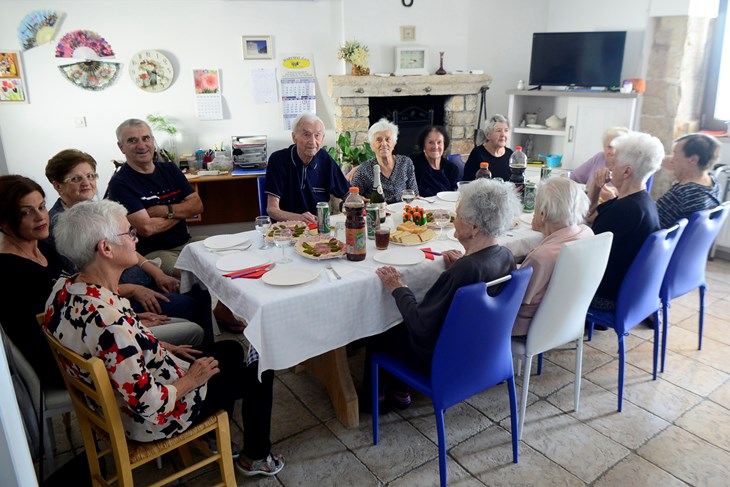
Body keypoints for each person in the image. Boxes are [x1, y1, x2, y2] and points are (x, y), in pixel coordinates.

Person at [45, 199, 284, 477]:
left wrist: (156, 343)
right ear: (106, 248)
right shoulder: (110, 325)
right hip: (152, 419)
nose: (135, 239)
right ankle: (255, 457)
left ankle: (209, 435)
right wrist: (193, 379)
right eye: (129, 233)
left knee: (230, 350)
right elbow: (149, 403)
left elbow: (103, 344)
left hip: (117, 398)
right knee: (261, 369)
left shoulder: (64, 289)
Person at [368, 178, 519, 409]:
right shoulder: (505, 256)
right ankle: (400, 391)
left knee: (382, 329)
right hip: (480, 353)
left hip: (442, 360)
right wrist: (462, 264)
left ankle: (374, 401)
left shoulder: (463, 271)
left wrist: (398, 287)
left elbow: (420, 325)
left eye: (458, 216)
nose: (454, 221)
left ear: (474, 228)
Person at [45, 148, 212, 346]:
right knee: (189, 304)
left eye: (90, 175)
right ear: (58, 186)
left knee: (194, 288)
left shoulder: (94, 209)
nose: (87, 183)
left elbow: (128, 244)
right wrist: (133, 290)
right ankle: (203, 357)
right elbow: (82, 285)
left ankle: (208, 355)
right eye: (76, 179)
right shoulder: (62, 226)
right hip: (117, 295)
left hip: (136, 281)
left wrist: (157, 273)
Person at [107, 118, 204, 277]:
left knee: (223, 259)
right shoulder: (119, 183)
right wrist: (182, 211)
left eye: (146, 138)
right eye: (132, 141)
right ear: (121, 147)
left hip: (186, 242)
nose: (141, 145)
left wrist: (163, 210)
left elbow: (198, 206)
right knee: (191, 274)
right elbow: (147, 228)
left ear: (152, 141)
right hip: (153, 253)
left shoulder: (170, 169)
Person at [0, 175, 64, 388]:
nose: (41, 217)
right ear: (3, 221)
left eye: (42, 206)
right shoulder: (8, 270)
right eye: (26, 212)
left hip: (70, 344)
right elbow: (38, 335)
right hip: (55, 361)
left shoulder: (44, 247)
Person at [588, 132, 663, 310]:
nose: (609, 166)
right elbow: (589, 216)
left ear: (627, 171)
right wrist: (597, 189)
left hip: (606, 296)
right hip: (629, 292)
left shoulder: (624, 211)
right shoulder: (639, 200)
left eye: (613, 163)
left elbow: (586, 250)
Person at [512, 178, 594, 336]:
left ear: (543, 214)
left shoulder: (542, 257)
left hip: (530, 326)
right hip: (569, 319)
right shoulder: (587, 234)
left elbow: (518, 298)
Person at [264, 112, 350, 224]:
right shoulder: (278, 160)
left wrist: (358, 203)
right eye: (306, 135)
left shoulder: (325, 160)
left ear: (322, 138)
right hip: (287, 230)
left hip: (318, 228)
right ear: (294, 137)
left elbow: (347, 194)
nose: (313, 141)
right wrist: (299, 218)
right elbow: (272, 210)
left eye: (317, 135)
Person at [656, 133, 723, 229]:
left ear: (693, 160)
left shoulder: (682, 194)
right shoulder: (713, 183)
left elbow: (648, 225)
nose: (672, 160)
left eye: (675, 154)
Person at [352, 118, 419, 203]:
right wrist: (367, 202)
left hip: (403, 212)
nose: (384, 144)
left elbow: (415, 194)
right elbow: (353, 198)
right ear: (372, 146)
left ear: (394, 144)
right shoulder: (364, 170)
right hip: (378, 213)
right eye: (379, 140)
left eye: (388, 139)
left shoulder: (406, 163)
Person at [570, 126, 628, 202]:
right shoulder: (599, 158)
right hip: (586, 207)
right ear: (604, 147)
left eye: (618, 147)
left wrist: (614, 194)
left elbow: (630, 197)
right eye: (609, 147)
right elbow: (572, 177)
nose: (613, 151)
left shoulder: (628, 167)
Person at [410, 125, 460, 197]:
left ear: (444, 145)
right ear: (424, 145)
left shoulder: (452, 168)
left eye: (439, 142)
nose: (435, 147)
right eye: (430, 142)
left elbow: (456, 195)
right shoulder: (413, 164)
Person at [463, 114, 513, 182]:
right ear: (487, 134)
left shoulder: (510, 154)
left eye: (506, 130)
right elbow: (467, 182)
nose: (503, 134)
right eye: (499, 131)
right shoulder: (477, 154)